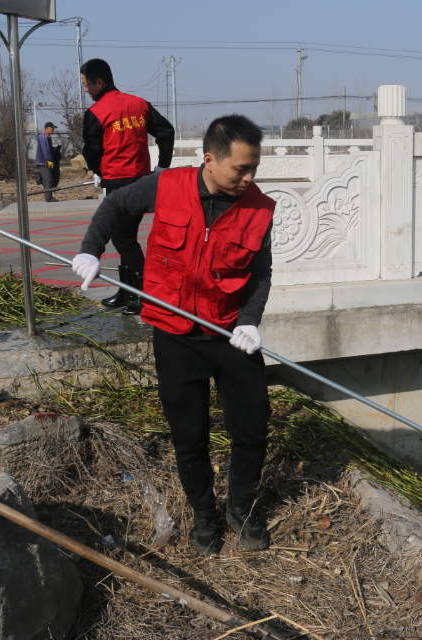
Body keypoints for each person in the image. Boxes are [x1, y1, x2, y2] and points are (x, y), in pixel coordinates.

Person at [71, 114, 275, 557]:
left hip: (228, 332)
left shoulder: (260, 207)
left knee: (252, 424)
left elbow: (261, 273)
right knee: (189, 433)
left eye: (254, 167)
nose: (249, 177)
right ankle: (205, 515)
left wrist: (251, 319)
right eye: (241, 168)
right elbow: (114, 206)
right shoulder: (166, 186)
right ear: (209, 159)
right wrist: (91, 249)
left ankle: (241, 508)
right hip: (174, 330)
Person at [81, 58, 175, 316]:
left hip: (118, 186)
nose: (86, 90)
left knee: (123, 239)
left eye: (86, 85)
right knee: (126, 238)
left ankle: (145, 296)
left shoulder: (96, 113)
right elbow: (166, 132)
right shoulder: (139, 104)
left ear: (99, 82)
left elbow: (91, 150)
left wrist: (97, 171)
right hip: (141, 182)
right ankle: (128, 291)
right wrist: (162, 166)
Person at [35, 122, 58, 202]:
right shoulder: (44, 137)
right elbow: (46, 150)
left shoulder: (46, 137)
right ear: (47, 128)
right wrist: (49, 159)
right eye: (52, 128)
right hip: (44, 162)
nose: (53, 130)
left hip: (44, 161)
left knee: (47, 179)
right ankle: (48, 198)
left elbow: (49, 149)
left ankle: (47, 195)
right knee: (48, 179)